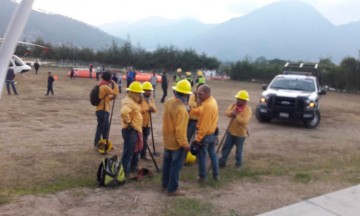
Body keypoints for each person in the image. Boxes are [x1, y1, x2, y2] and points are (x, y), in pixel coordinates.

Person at [162, 79, 192, 196]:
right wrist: (185, 145)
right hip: (176, 143)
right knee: (175, 166)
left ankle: (165, 184)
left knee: (167, 163)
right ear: (185, 94)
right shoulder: (182, 110)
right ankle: (172, 189)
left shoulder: (169, 102)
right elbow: (180, 131)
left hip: (167, 139)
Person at [189, 84, 220, 182]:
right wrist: (191, 111)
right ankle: (216, 175)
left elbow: (204, 125)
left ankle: (202, 177)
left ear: (206, 93)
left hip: (206, 135)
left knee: (202, 156)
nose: (198, 96)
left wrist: (198, 139)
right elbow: (200, 111)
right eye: (197, 93)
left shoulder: (208, 106)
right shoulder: (211, 101)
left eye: (200, 94)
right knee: (212, 154)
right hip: (212, 133)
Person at [218, 90, 252, 169]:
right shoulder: (234, 106)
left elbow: (244, 121)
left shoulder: (247, 110)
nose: (238, 100)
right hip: (231, 131)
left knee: (239, 150)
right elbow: (227, 112)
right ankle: (222, 162)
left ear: (244, 101)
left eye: (240, 99)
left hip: (240, 134)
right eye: (237, 99)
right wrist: (231, 113)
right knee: (226, 148)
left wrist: (236, 115)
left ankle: (238, 164)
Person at [120, 81, 144, 177]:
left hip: (135, 130)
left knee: (135, 150)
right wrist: (129, 123)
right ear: (134, 93)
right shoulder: (129, 102)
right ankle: (125, 171)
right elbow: (124, 112)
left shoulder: (133, 101)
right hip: (130, 130)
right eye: (139, 93)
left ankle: (133, 166)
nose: (140, 95)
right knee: (128, 151)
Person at [94, 71, 119, 147]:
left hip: (103, 109)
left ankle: (105, 142)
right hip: (102, 110)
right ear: (108, 78)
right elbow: (115, 92)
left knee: (105, 127)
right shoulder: (105, 86)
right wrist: (114, 83)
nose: (111, 79)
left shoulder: (102, 85)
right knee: (101, 128)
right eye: (111, 78)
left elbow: (105, 98)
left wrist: (111, 98)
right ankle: (97, 142)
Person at [140, 82, 157, 161]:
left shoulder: (151, 99)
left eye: (150, 91)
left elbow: (154, 109)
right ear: (143, 91)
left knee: (145, 139)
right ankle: (137, 154)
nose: (149, 92)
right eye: (147, 91)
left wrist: (152, 109)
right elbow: (138, 110)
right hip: (140, 123)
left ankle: (143, 154)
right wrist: (147, 109)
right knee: (139, 139)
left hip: (147, 123)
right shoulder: (139, 99)